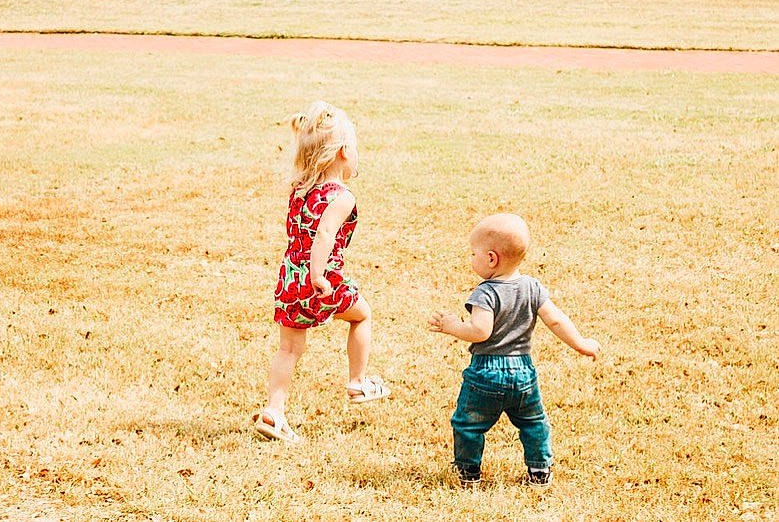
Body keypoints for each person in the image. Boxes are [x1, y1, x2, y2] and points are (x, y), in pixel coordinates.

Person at [428, 213, 600, 486]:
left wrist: (452, 326)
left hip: (486, 373)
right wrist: (582, 343)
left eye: (474, 254)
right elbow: (555, 319)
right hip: (524, 372)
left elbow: (480, 331)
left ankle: (468, 472)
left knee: (468, 425)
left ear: (492, 258)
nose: (471, 259)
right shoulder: (533, 287)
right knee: (534, 423)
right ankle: (540, 471)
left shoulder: (485, 293)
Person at [255, 101, 390, 443]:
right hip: (320, 280)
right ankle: (358, 383)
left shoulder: (300, 188)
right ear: (344, 152)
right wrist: (318, 276)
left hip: (289, 278)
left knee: (289, 349)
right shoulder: (340, 196)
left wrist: (303, 274)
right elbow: (325, 235)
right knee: (362, 316)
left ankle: (274, 411)